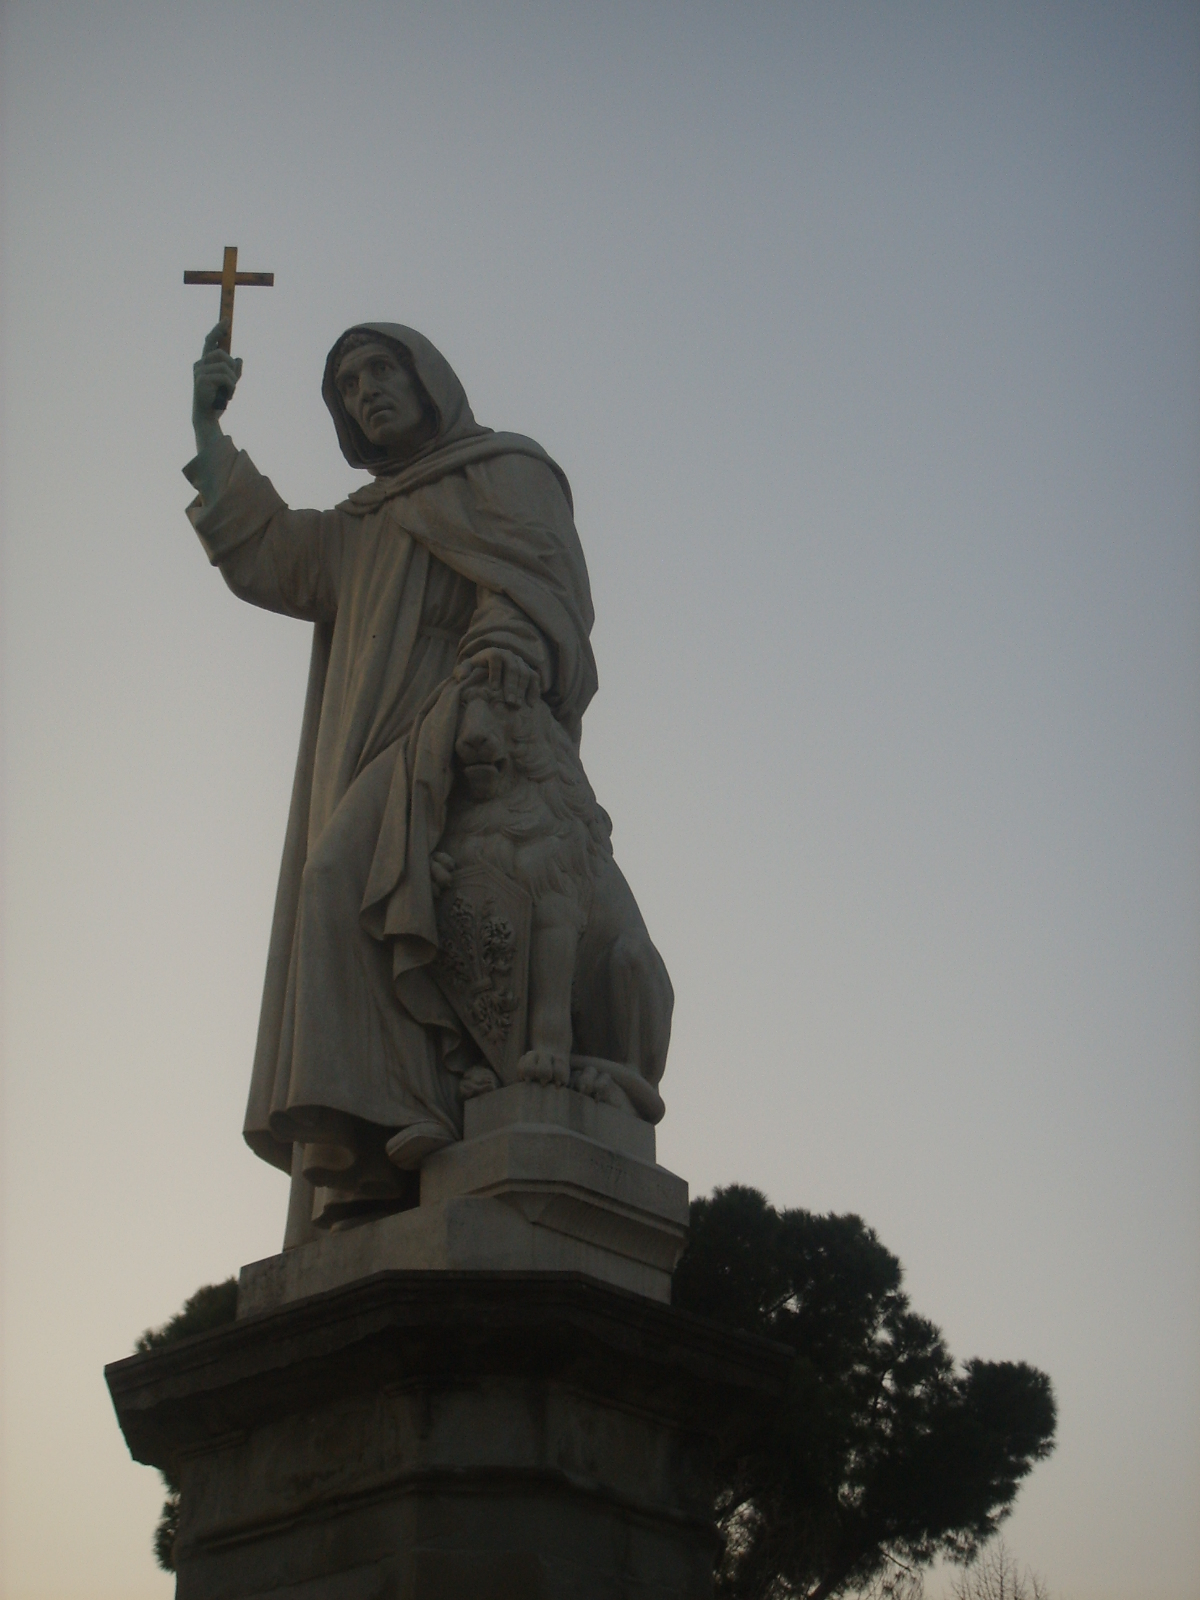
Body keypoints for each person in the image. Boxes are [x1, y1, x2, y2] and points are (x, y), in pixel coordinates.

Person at [187, 319, 598, 1241]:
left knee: (343, 879)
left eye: (380, 371)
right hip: (368, 745)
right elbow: (269, 554)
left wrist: (493, 668)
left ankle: (400, 1123)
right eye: (346, 388)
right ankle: (373, 1162)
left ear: (428, 378)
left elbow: (542, 593)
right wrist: (211, 435)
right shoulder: (362, 524)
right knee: (341, 890)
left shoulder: (510, 474)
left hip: (469, 725)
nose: (365, 391)